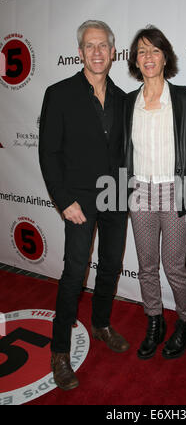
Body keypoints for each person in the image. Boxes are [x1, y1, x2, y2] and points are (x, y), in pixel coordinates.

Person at [39, 20, 129, 391]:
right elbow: (48, 153)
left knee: (109, 267)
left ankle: (102, 323)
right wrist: (63, 201)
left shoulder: (125, 99)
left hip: (116, 195)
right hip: (77, 200)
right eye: (89, 46)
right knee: (75, 273)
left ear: (112, 52)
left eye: (102, 46)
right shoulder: (58, 93)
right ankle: (59, 350)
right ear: (80, 53)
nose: (96, 53)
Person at [125, 26, 186, 360]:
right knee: (146, 265)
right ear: (135, 61)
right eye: (142, 51)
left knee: (174, 265)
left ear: (165, 56)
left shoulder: (184, 98)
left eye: (155, 50)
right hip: (139, 191)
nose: (148, 57)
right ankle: (155, 320)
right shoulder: (127, 103)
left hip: (175, 190)